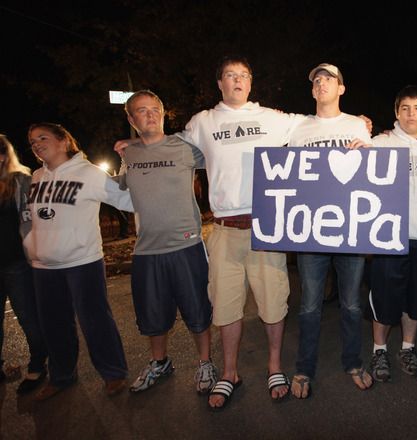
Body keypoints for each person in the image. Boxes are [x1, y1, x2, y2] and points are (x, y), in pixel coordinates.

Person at [178, 56, 305, 410]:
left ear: (251, 83)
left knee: (273, 300)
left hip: (266, 227)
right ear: (219, 84)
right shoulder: (203, 122)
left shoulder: (271, 119)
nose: (237, 80)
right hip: (223, 229)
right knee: (225, 305)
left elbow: (316, 126)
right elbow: (172, 149)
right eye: (230, 75)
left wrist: (358, 128)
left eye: (243, 75)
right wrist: (138, 147)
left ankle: (274, 366)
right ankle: (230, 372)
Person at [116, 90, 219, 394]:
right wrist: (132, 145)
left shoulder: (184, 148)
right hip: (147, 250)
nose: (149, 115)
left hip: (187, 245)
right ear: (131, 119)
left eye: (154, 110)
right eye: (141, 111)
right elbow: (120, 190)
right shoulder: (129, 156)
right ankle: (159, 362)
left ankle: (204, 363)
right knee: (153, 316)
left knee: (197, 311)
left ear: (163, 114)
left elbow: (221, 153)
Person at [24, 123, 132, 400]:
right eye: (32, 141)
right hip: (44, 266)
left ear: (63, 141)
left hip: (82, 260)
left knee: (95, 320)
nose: (36, 144)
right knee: (54, 325)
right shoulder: (36, 177)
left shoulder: (89, 173)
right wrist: (31, 248)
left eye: (42, 138)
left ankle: (113, 374)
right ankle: (61, 376)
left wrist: (130, 165)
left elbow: (127, 200)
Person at [289, 63, 374, 399]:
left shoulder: (357, 125)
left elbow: (372, 174)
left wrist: (369, 154)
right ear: (312, 90)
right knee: (309, 305)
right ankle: (304, 367)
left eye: (330, 80)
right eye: (317, 80)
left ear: (342, 88)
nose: (322, 84)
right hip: (310, 231)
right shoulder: (297, 127)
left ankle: (352, 361)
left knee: (352, 303)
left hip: (350, 231)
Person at [367, 85, 417, 382]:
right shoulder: (381, 142)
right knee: (385, 300)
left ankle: (408, 347)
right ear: (396, 112)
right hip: (389, 237)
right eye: (404, 108)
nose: (410, 114)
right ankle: (379, 350)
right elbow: (348, 156)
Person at [0, 134, 48, 394]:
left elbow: (33, 220)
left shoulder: (21, 181)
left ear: (3, 156)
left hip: (16, 262)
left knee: (28, 317)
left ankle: (39, 363)